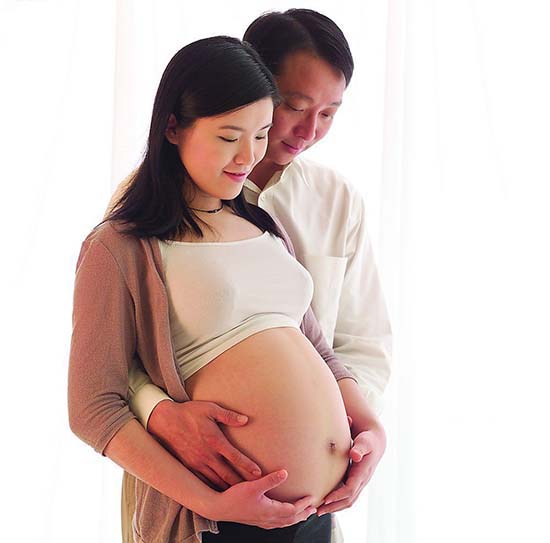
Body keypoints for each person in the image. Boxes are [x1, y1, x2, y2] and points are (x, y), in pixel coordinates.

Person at [69, 35, 385, 543]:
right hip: (219, 521)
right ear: (173, 127)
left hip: (317, 517)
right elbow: (93, 407)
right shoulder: (122, 245)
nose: (247, 155)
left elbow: (320, 351)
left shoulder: (264, 229)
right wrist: (211, 502)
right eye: (228, 136)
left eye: (260, 134)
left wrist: (371, 428)